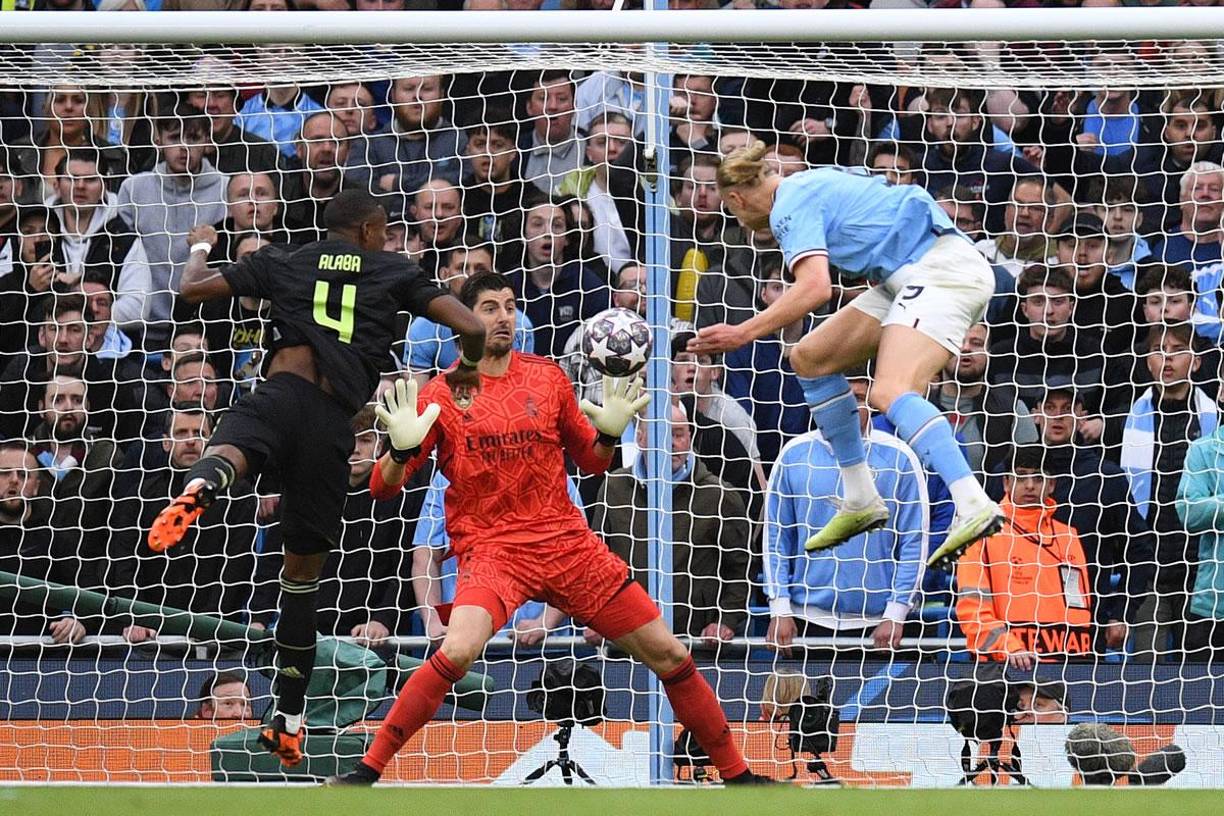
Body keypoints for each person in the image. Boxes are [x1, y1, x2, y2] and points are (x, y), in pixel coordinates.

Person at [335, 271, 769, 786]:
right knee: (455, 651)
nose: (503, 316)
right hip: (494, 552)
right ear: (462, 320)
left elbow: (593, 462)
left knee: (672, 654)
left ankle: (740, 777)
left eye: (510, 306)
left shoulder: (546, 377)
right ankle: (366, 772)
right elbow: (384, 489)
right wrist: (401, 450)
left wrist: (607, 432)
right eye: (490, 307)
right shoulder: (440, 395)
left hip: (567, 546)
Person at [144, 189, 486, 767]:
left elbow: (192, 288)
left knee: (231, 448)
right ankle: (290, 719)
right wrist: (468, 375)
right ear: (372, 230)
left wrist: (201, 244)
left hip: (281, 395)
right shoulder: (395, 269)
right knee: (301, 580)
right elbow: (470, 324)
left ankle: (204, 485)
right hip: (332, 430)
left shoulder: (285, 259)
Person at [692, 143, 1001, 567]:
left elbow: (814, 287)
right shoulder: (814, 180)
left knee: (890, 391)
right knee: (809, 357)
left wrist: (742, 332)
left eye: (734, 212)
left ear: (736, 199)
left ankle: (972, 501)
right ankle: (860, 496)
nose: (740, 221)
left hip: (940, 269)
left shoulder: (788, 207)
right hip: (906, 274)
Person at [763, 372, 927, 656]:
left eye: (859, 398)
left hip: (878, 626)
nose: (849, 406)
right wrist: (779, 607)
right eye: (839, 398)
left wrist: (897, 612)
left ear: (872, 403)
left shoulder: (900, 458)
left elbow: (915, 541)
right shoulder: (793, 455)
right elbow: (776, 538)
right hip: (806, 622)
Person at [253, 406, 420, 643]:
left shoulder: (401, 497)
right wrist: (259, 617)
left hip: (371, 633)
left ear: (380, 445)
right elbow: (273, 560)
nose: (355, 449)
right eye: (348, 440)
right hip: (307, 625)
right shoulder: (304, 492)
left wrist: (383, 619)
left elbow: (404, 566)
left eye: (365, 440)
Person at [595, 402, 752, 645]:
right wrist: (598, 616)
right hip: (628, 640)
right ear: (640, 438)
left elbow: (741, 568)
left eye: (679, 435)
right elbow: (597, 562)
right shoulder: (613, 489)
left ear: (689, 438)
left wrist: (726, 620)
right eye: (662, 433)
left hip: (695, 644)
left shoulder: (719, 496)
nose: (671, 443)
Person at [108, 406, 260, 641]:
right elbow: (127, 563)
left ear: (213, 442)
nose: (190, 441)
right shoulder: (139, 496)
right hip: (151, 634)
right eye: (181, 433)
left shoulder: (238, 496)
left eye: (198, 433)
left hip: (217, 634)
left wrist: (211, 624)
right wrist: (135, 618)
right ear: (166, 443)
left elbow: (236, 567)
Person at [1032, 385, 1154, 653]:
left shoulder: (1105, 478)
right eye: (1050, 408)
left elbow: (1139, 550)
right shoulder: (1011, 475)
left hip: (1084, 625)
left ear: (1082, 416)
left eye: (1067, 409)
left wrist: (1122, 613)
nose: (1058, 417)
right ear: (1036, 415)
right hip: (1020, 620)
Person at [1122, 323, 1219, 660]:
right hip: (1151, 565)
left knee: (1202, 671)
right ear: (1147, 361)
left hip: (1204, 568)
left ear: (1195, 361)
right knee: (1148, 671)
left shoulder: (1214, 416)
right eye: (1158, 350)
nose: (1167, 359)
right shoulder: (1130, 417)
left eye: (1177, 350)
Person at [957, 446, 1094, 667]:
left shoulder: (1068, 536)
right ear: (1006, 483)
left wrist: (1080, 659)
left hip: (1066, 668)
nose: (1030, 485)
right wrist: (1008, 647)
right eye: (1020, 477)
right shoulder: (981, 533)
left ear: (1051, 485)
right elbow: (972, 610)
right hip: (1003, 668)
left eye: (1038, 478)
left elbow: (1079, 609)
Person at [116, 107, 228, 349]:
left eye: (193, 138)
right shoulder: (134, 189)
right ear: (158, 140)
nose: (183, 147)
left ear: (208, 142)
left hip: (201, 329)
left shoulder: (226, 190)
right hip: (140, 329)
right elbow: (118, 257)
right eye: (174, 138)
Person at [0, 440, 93, 644]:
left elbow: (87, 598)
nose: (14, 480)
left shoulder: (58, 541)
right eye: (5, 473)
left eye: (24, 474)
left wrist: (76, 621)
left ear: (36, 486)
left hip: (47, 662)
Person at [931, 322, 1039, 477]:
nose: (966, 348)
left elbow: (1030, 478)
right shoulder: (918, 408)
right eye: (957, 342)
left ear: (989, 354)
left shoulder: (1012, 410)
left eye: (976, 343)